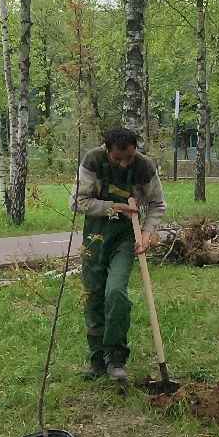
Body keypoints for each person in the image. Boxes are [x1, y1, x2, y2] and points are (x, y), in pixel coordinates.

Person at [73, 127, 167, 380]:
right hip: (94, 237)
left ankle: (116, 359)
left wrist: (146, 233)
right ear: (107, 150)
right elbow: (78, 202)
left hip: (126, 238)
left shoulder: (144, 167)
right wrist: (113, 207)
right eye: (117, 159)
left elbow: (157, 203)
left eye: (128, 157)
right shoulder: (93, 160)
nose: (124, 164)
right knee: (93, 296)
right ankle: (97, 361)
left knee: (115, 292)